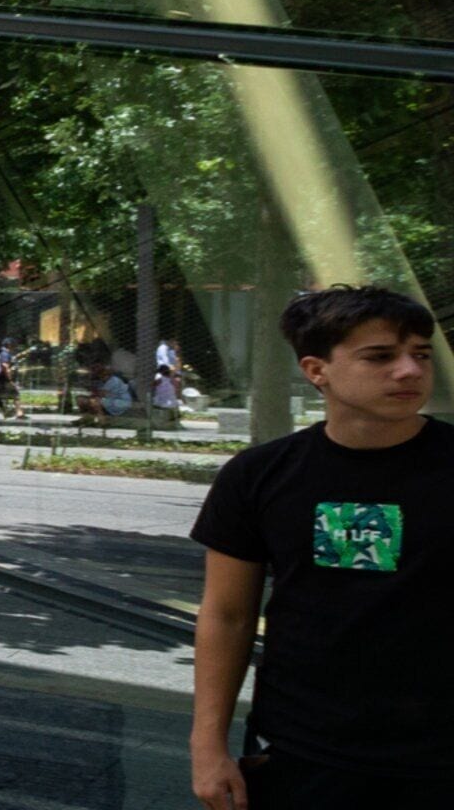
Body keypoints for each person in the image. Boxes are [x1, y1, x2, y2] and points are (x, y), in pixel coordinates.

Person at [190, 286, 449, 810]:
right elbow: (227, 615)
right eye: (380, 356)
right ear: (316, 370)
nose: (409, 371)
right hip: (302, 752)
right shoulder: (258, 475)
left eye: (421, 354)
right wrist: (207, 745)